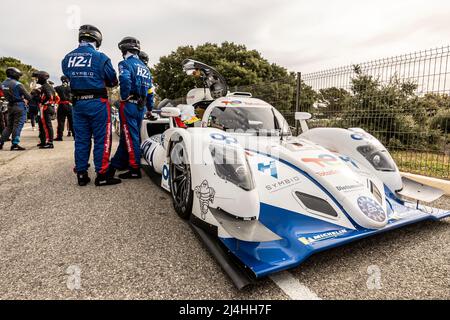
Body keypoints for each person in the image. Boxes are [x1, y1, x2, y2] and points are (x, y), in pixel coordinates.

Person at [62, 24, 120, 187]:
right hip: (97, 103)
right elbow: (113, 81)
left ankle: (81, 174)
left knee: (81, 140)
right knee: (102, 139)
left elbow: (68, 75)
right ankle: (102, 175)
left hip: (78, 104)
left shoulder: (67, 58)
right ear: (97, 39)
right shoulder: (101, 57)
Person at [110, 37, 152, 180]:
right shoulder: (145, 68)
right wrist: (150, 108)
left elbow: (125, 80)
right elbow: (150, 91)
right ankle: (118, 162)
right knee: (129, 135)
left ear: (124, 50)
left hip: (129, 104)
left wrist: (124, 96)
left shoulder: (125, 63)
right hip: (142, 106)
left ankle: (134, 168)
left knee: (130, 136)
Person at [0, 67, 31, 151]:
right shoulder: (18, 84)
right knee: (18, 125)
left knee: (9, 126)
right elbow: (28, 97)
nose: (19, 77)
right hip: (19, 106)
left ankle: (0, 143)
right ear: (14, 74)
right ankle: (15, 144)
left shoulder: (2, 84)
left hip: (10, 106)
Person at [33, 71, 56, 149]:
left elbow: (50, 96)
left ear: (41, 77)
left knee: (47, 125)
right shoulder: (47, 86)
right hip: (48, 107)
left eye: (37, 77)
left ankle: (50, 142)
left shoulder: (46, 86)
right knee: (42, 125)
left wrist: (42, 101)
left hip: (46, 107)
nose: (36, 79)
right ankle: (43, 141)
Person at [54, 76, 74, 141]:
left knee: (61, 122)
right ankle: (75, 136)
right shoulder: (71, 88)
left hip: (61, 105)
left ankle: (60, 136)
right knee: (72, 122)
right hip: (70, 105)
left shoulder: (57, 88)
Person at [138, 51, 155, 117]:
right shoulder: (148, 74)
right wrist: (150, 109)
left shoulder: (132, 69)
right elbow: (150, 93)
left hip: (131, 104)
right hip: (142, 106)